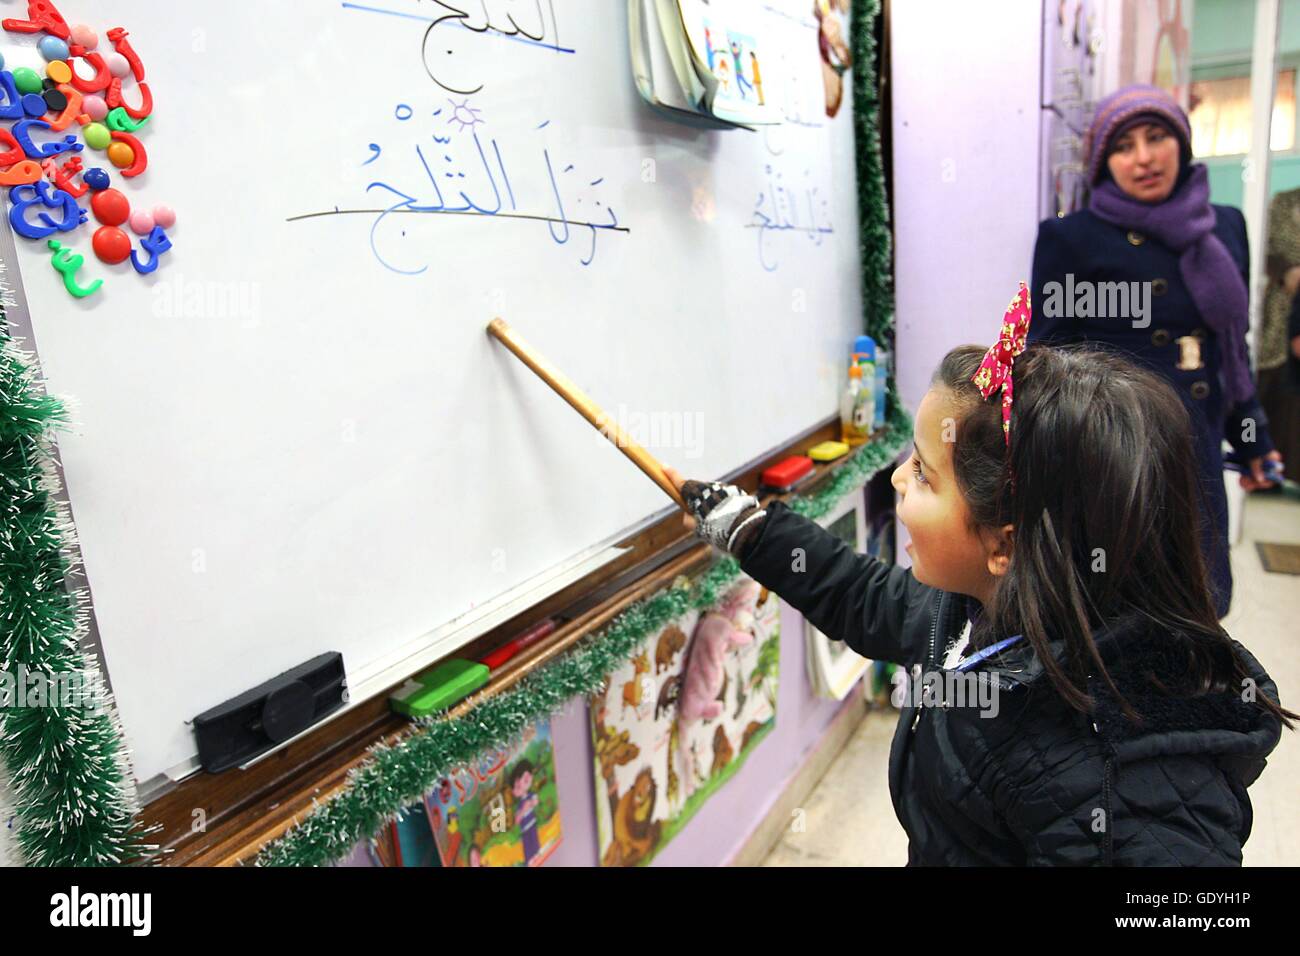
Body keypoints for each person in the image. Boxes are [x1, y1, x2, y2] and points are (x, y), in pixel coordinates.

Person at [665, 288, 1291, 865]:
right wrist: (752, 530)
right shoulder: (977, 610)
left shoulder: (1105, 765)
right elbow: (870, 598)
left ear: (1004, 543)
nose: (896, 480)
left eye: (925, 476)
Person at [1030, 85, 1282, 618]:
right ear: (1103, 164)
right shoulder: (1071, 239)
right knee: (1123, 605)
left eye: (1156, 137)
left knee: (1203, 598)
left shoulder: (1225, 226)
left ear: (1182, 143)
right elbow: (1046, 360)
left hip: (1202, 441)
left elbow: (1230, 346)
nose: (1143, 157)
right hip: (1120, 450)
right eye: (1123, 146)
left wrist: (1252, 436)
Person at [1262, 186, 1300, 470]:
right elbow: (1266, 249)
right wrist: (1288, 272)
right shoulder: (1284, 202)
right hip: (1280, 305)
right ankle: (1265, 461)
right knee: (1271, 384)